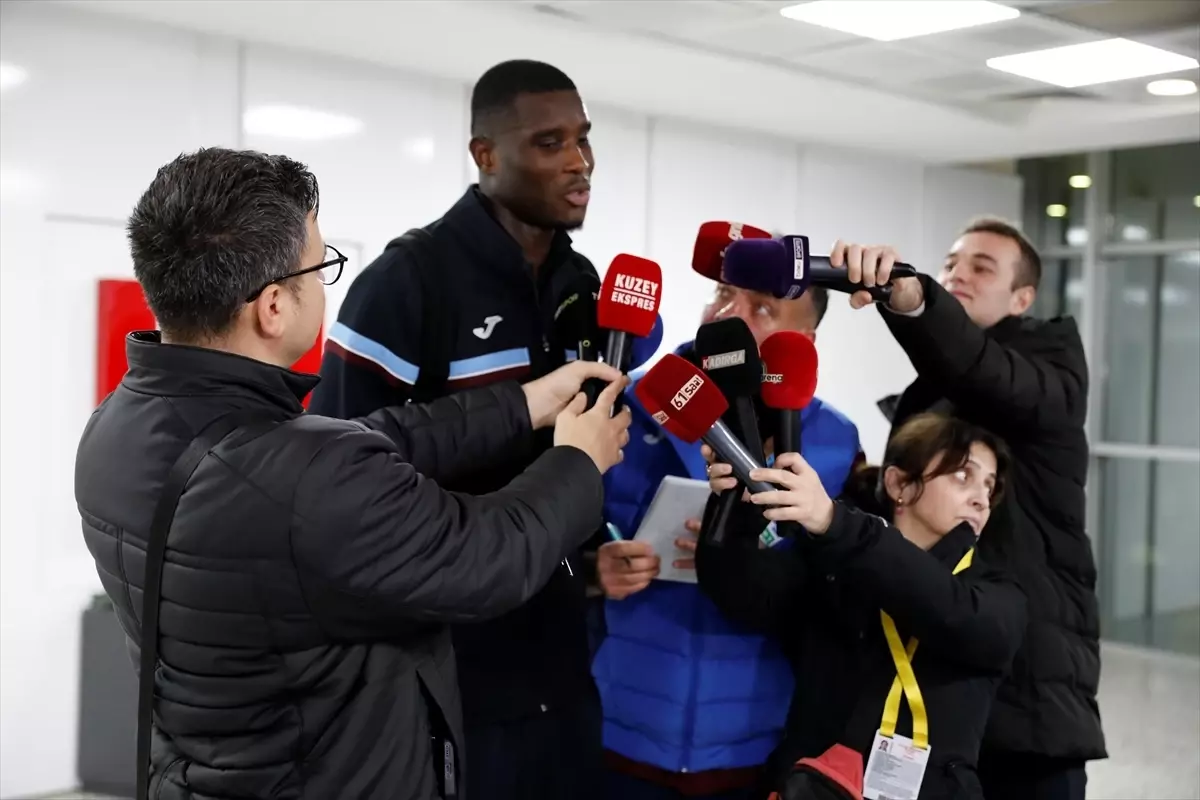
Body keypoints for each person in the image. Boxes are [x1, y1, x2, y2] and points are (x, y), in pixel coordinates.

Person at [75, 147, 631, 799]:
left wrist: (522, 405)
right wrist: (578, 461)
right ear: (273, 307)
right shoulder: (305, 474)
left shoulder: (116, 426)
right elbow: (487, 557)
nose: (323, 286)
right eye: (320, 267)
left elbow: (362, 444)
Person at [308, 60, 605, 799]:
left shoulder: (583, 284)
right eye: (550, 143)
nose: (579, 161)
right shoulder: (406, 282)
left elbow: (572, 452)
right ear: (486, 154)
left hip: (563, 666)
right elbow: (337, 476)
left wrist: (599, 554)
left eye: (583, 138)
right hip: (450, 674)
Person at [828, 217, 1105, 799]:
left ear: (1022, 298)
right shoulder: (936, 389)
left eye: (983, 267)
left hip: (1030, 700)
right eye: (952, 263)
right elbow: (909, 502)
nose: (959, 275)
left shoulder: (1051, 371)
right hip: (946, 687)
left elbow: (987, 373)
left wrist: (914, 299)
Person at [591, 280, 861, 799]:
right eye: (722, 293)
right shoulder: (623, 404)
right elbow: (541, 543)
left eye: (763, 309)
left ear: (803, 340)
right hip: (617, 731)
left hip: (753, 745)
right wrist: (588, 569)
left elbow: (839, 594)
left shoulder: (835, 441)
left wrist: (750, 560)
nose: (729, 313)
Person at [697, 413, 1028, 800]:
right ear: (898, 483)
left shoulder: (996, 591)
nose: (980, 499)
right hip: (808, 788)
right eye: (962, 475)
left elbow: (950, 610)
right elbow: (741, 594)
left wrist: (836, 523)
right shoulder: (831, 563)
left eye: (989, 486)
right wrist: (734, 504)